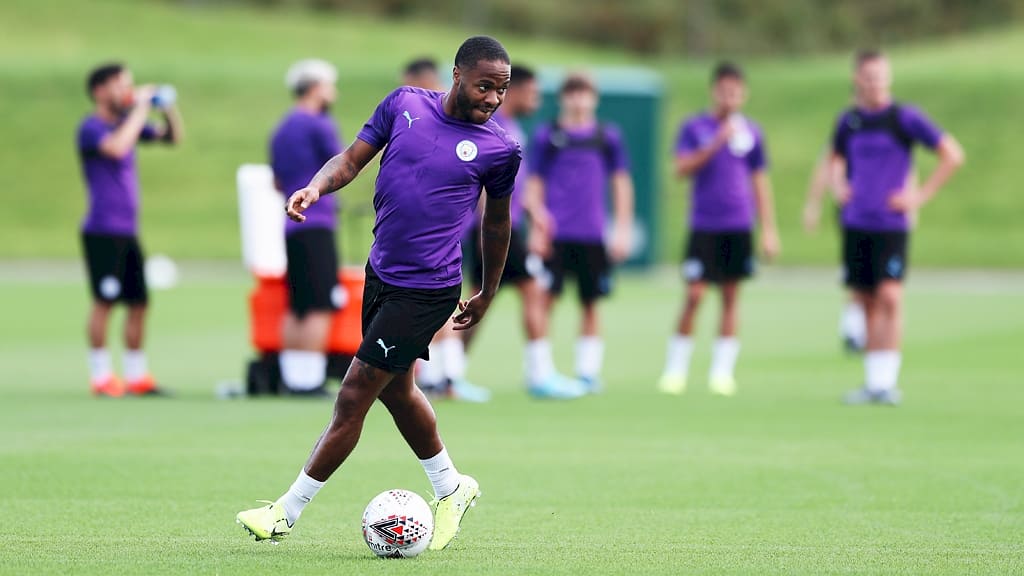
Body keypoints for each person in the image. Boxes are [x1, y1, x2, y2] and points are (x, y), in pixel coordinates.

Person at [236, 36, 521, 551]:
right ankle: (452, 488)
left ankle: (285, 511)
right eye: (484, 86)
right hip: (381, 274)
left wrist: (489, 291)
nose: (492, 99)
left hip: (428, 287)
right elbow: (349, 160)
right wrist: (315, 188)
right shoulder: (404, 104)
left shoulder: (500, 149)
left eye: (501, 90)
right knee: (396, 390)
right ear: (456, 75)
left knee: (353, 396)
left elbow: (496, 227)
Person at [832, 50, 964, 405]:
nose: (875, 83)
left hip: (890, 224)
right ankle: (874, 383)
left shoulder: (904, 118)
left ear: (888, 78)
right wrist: (837, 185)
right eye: (868, 77)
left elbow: (952, 153)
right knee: (865, 299)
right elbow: (835, 158)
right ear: (857, 79)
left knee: (890, 296)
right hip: (856, 223)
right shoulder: (849, 121)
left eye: (880, 76)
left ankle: (888, 383)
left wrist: (919, 196)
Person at [456, 65, 585, 399]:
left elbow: (515, 183)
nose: (537, 100)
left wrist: (536, 212)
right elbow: (483, 183)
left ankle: (450, 372)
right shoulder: (494, 126)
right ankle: (539, 374)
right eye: (533, 93)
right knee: (529, 289)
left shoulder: (512, 127)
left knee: (483, 298)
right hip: (496, 230)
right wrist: (487, 229)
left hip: (506, 226)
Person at [656, 62, 780, 397]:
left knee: (730, 296)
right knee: (695, 295)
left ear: (744, 95)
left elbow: (760, 181)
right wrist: (715, 145)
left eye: (736, 92)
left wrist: (769, 229)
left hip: (739, 224)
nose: (730, 98)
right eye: (725, 91)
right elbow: (680, 168)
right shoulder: (696, 127)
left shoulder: (752, 132)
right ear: (714, 91)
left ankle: (722, 373)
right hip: (704, 225)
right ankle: (675, 370)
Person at [77, 62, 183, 397]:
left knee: (139, 302)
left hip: (127, 230)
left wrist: (166, 109)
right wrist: (139, 109)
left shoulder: (129, 122)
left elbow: (173, 138)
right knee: (104, 301)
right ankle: (101, 376)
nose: (126, 90)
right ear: (100, 91)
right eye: (119, 85)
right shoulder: (92, 128)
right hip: (101, 229)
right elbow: (117, 147)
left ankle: (137, 376)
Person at [526, 72, 634, 394]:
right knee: (546, 299)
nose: (578, 99)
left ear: (594, 98)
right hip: (556, 233)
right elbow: (533, 183)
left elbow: (621, 183)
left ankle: (588, 372)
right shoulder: (549, 135)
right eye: (572, 93)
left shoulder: (607, 137)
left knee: (590, 302)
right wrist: (537, 226)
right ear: (563, 98)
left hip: (592, 233)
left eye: (584, 93)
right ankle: (541, 369)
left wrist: (623, 228)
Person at [270, 59, 344, 396]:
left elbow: (276, 179)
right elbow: (342, 165)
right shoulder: (318, 125)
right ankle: (310, 380)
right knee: (319, 303)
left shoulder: (282, 128)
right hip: (317, 221)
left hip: (291, 224)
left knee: (298, 303)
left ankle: (294, 376)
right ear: (316, 88)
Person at [805, 147, 919, 354]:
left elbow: (906, 167)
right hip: (855, 215)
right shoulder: (851, 125)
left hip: (887, 217)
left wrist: (913, 202)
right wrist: (817, 202)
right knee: (861, 280)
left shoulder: (897, 126)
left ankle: (860, 333)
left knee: (885, 288)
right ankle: (854, 329)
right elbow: (829, 162)